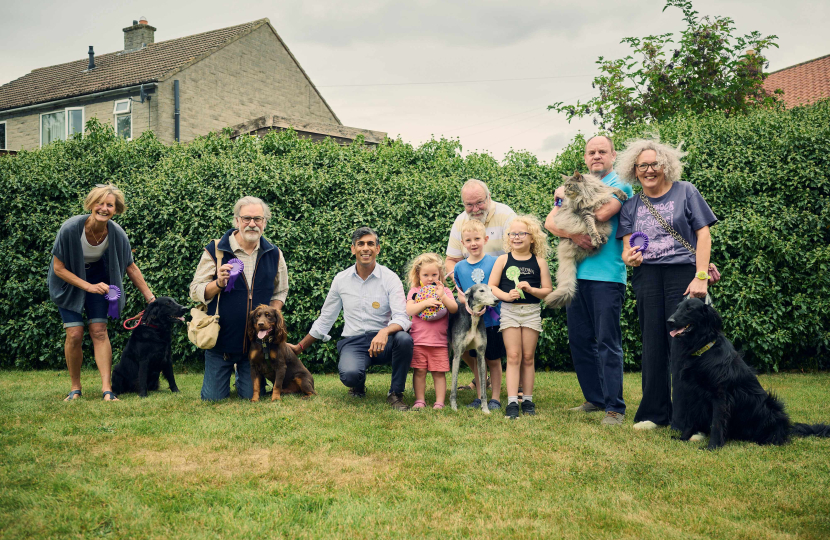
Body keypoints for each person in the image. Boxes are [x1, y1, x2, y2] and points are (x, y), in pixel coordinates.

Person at [616, 139, 717, 431]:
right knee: (652, 345)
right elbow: (625, 250)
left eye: (654, 164)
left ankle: (690, 420)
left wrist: (700, 276)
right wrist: (630, 258)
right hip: (647, 276)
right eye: (642, 166)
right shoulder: (631, 205)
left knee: (685, 345)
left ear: (666, 165)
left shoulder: (686, 191)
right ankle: (654, 414)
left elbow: (704, 236)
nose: (649, 170)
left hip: (682, 274)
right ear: (634, 171)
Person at [544, 135, 634, 426]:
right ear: (585, 158)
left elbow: (601, 212)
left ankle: (614, 408)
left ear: (612, 155)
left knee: (608, 342)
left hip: (607, 276)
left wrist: (564, 203)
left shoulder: (621, 185)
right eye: (591, 152)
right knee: (580, 341)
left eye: (602, 151)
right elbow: (549, 222)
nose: (596, 156)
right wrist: (571, 234)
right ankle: (595, 398)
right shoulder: (576, 186)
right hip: (576, 275)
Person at [48, 184, 155, 401]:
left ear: (116, 209)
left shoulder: (117, 233)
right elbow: (58, 268)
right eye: (100, 203)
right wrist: (87, 286)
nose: (104, 208)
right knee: (75, 334)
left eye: (110, 205)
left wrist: (151, 299)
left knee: (99, 331)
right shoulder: (70, 228)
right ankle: (75, 388)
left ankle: (107, 389)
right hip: (68, 284)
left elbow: (131, 267)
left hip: (99, 281)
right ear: (91, 204)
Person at [288, 227, 413, 411]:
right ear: (353, 248)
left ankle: (395, 394)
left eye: (370, 243)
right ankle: (358, 384)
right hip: (354, 341)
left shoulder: (390, 278)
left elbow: (402, 317)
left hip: (384, 341)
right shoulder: (341, 279)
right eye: (360, 244)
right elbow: (325, 319)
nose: (366, 248)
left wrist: (385, 331)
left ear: (377, 249)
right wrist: (300, 347)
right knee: (350, 375)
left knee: (404, 339)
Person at [189, 196, 288, 401]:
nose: (252, 224)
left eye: (258, 219)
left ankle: (242, 374)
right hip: (220, 345)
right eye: (246, 218)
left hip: (254, 347)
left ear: (265, 223)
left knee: (248, 396)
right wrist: (218, 283)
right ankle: (226, 372)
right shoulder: (216, 250)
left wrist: (271, 318)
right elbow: (195, 290)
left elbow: (280, 291)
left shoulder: (274, 253)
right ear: (236, 221)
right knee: (213, 399)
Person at [445, 178, 516, 395]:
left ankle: (516, 382)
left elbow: (517, 257)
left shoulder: (507, 215)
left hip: (500, 290)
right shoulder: (460, 222)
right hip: (471, 296)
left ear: (488, 197)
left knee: (497, 346)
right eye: (469, 205)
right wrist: (459, 290)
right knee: (456, 330)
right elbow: (451, 260)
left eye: (479, 203)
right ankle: (480, 378)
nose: (475, 209)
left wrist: (497, 290)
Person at [489, 215, 553, 419]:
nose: (516, 237)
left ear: (532, 237)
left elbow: (547, 291)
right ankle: (511, 404)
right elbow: (491, 286)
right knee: (514, 356)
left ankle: (527, 400)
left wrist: (531, 289)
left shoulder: (539, 262)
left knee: (527, 357)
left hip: (531, 313)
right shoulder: (503, 260)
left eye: (521, 234)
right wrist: (506, 296)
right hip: (509, 312)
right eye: (512, 234)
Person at [452, 219, 506, 410]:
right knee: (475, 359)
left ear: (485, 239)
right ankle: (480, 396)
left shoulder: (495, 262)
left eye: (477, 239)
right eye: (468, 240)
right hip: (470, 322)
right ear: (463, 243)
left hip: (492, 320)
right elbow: (461, 294)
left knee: (493, 359)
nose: (473, 243)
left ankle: (496, 398)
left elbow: (497, 288)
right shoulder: (459, 268)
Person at [405, 253, 458, 410]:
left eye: (434, 274)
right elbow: (409, 309)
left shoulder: (445, 291)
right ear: (418, 275)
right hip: (419, 340)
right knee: (419, 371)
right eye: (425, 275)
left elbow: (454, 309)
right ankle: (420, 400)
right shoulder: (415, 291)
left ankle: (439, 402)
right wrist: (427, 302)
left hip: (439, 342)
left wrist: (443, 297)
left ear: (440, 275)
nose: (429, 278)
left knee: (439, 373)